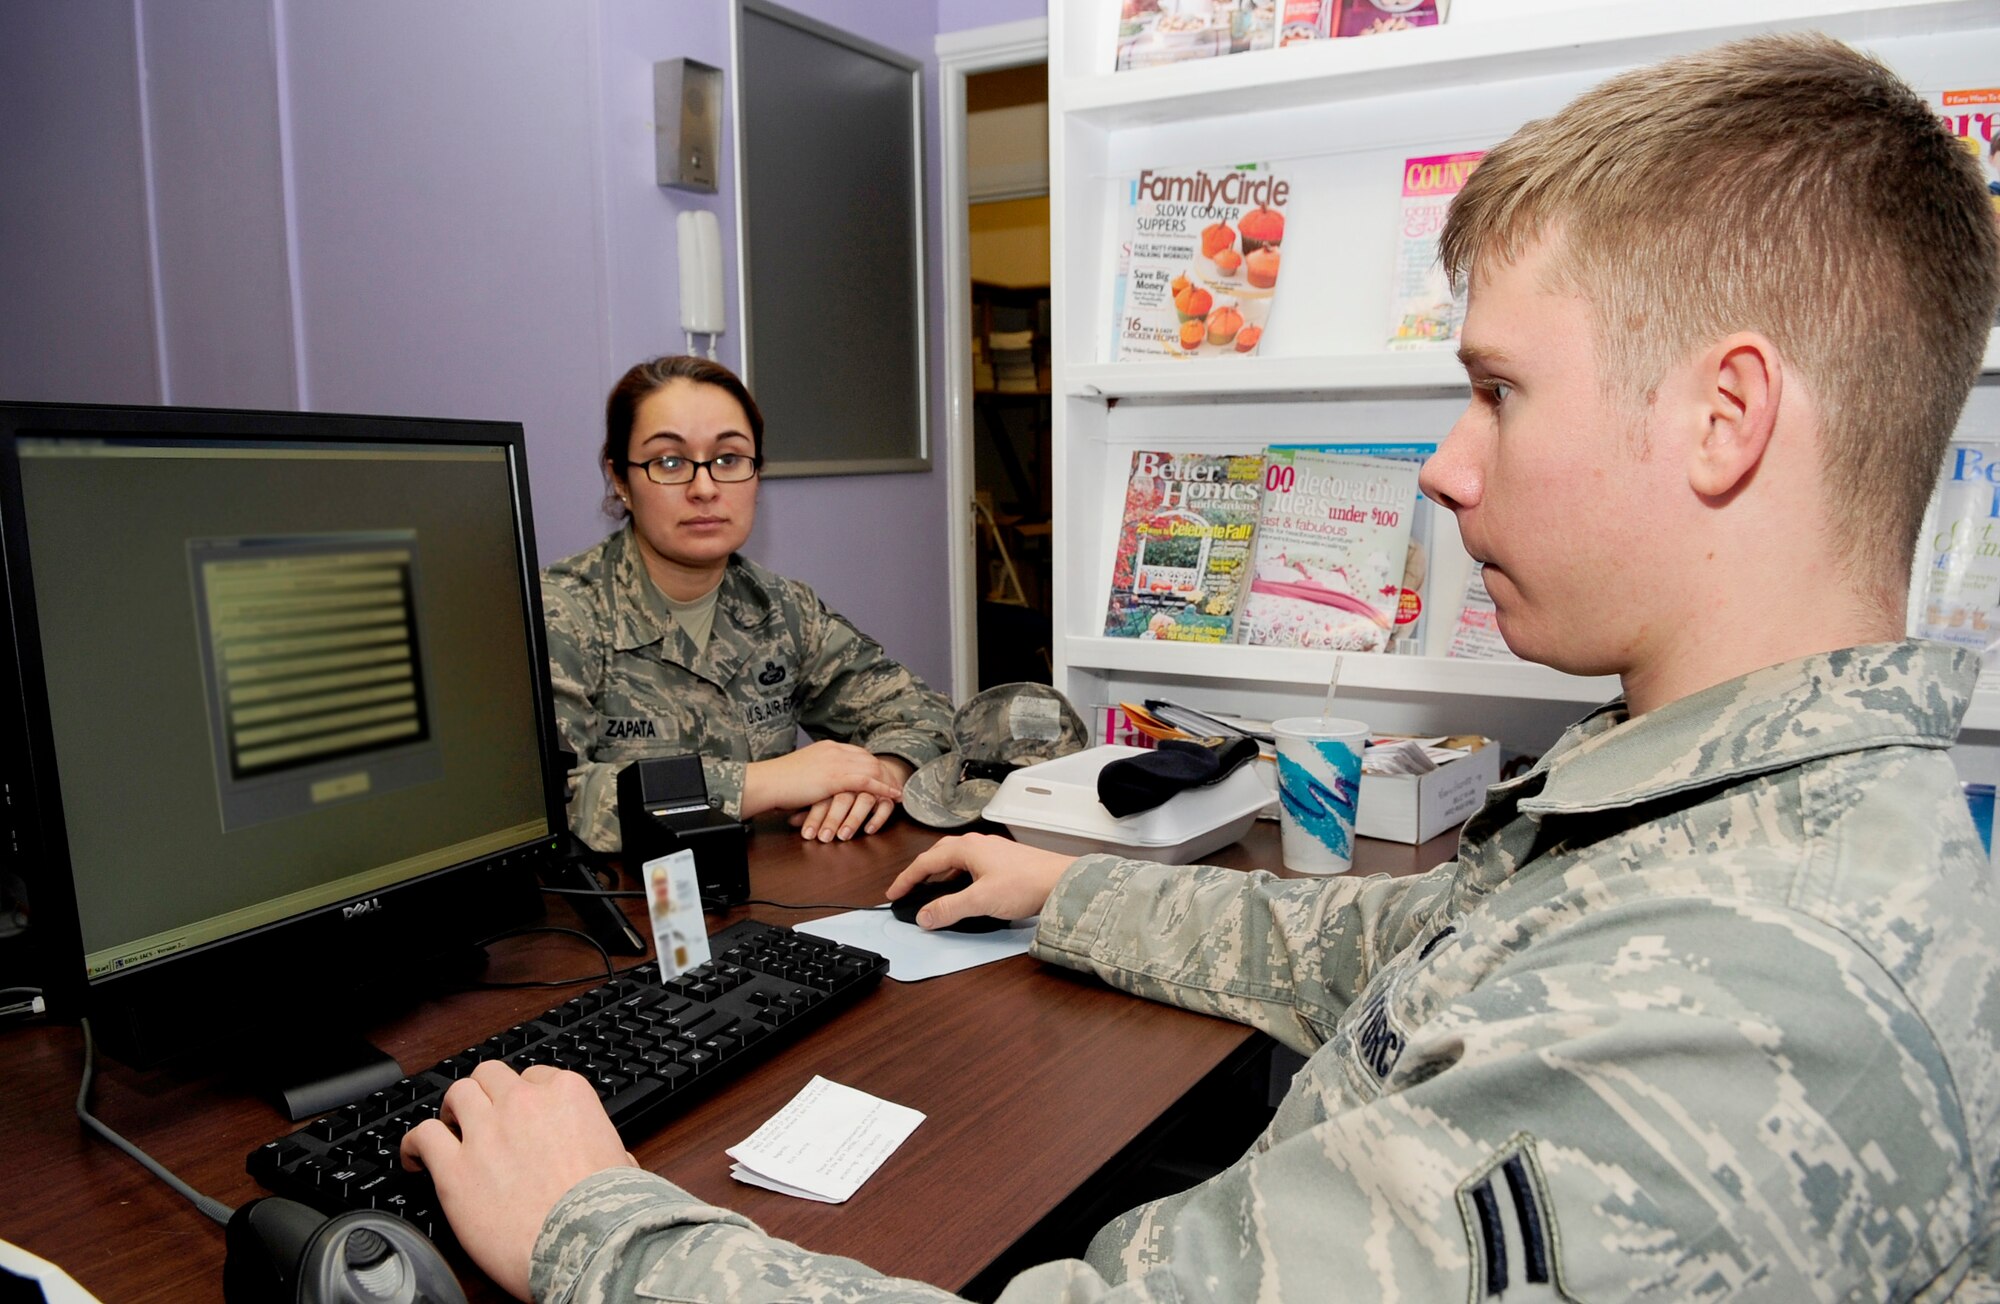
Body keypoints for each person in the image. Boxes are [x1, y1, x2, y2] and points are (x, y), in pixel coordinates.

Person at [404, 34, 2000, 1301]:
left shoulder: (1745, 1007)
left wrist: (594, 1231)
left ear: (1726, 417)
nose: (1445, 468)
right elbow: (1403, 944)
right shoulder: (1713, 812)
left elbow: (906, 718)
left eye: (1497, 391)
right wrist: (1058, 890)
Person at [541, 355, 955, 850]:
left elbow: (927, 714)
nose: (705, 488)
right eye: (669, 462)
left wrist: (882, 773)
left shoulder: (782, 608)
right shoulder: (563, 612)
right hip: (619, 905)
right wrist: (762, 783)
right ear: (621, 480)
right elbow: (549, 799)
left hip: (764, 896)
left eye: (729, 459)